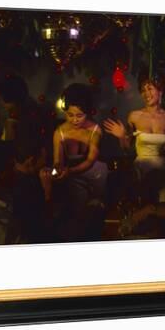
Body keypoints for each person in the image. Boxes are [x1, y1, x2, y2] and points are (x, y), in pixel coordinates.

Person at [103, 72, 165, 202]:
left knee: (163, 208)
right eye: (143, 90)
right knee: (141, 207)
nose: (146, 94)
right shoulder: (134, 116)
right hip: (141, 169)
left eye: (149, 89)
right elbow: (127, 149)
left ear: (160, 89)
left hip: (162, 170)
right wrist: (122, 137)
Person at [52, 83, 108, 240]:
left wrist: (70, 171)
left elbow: (90, 160)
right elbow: (58, 161)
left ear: (87, 113)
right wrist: (57, 171)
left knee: (96, 210)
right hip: (72, 176)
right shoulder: (60, 132)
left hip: (94, 173)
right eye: (70, 115)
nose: (75, 120)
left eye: (79, 115)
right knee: (77, 212)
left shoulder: (95, 130)